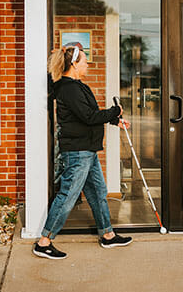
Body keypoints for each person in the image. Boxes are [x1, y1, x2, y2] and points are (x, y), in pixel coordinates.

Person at [33, 42, 132, 260]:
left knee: (98, 192)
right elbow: (89, 117)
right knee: (68, 195)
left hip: (87, 149)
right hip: (77, 152)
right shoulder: (68, 89)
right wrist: (114, 110)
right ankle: (44, 242)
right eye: (85, 62)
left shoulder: (78, 86)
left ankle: (108, 235)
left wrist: (116, 120)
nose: (88, 65)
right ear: (75, 64)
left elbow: (89, 115)